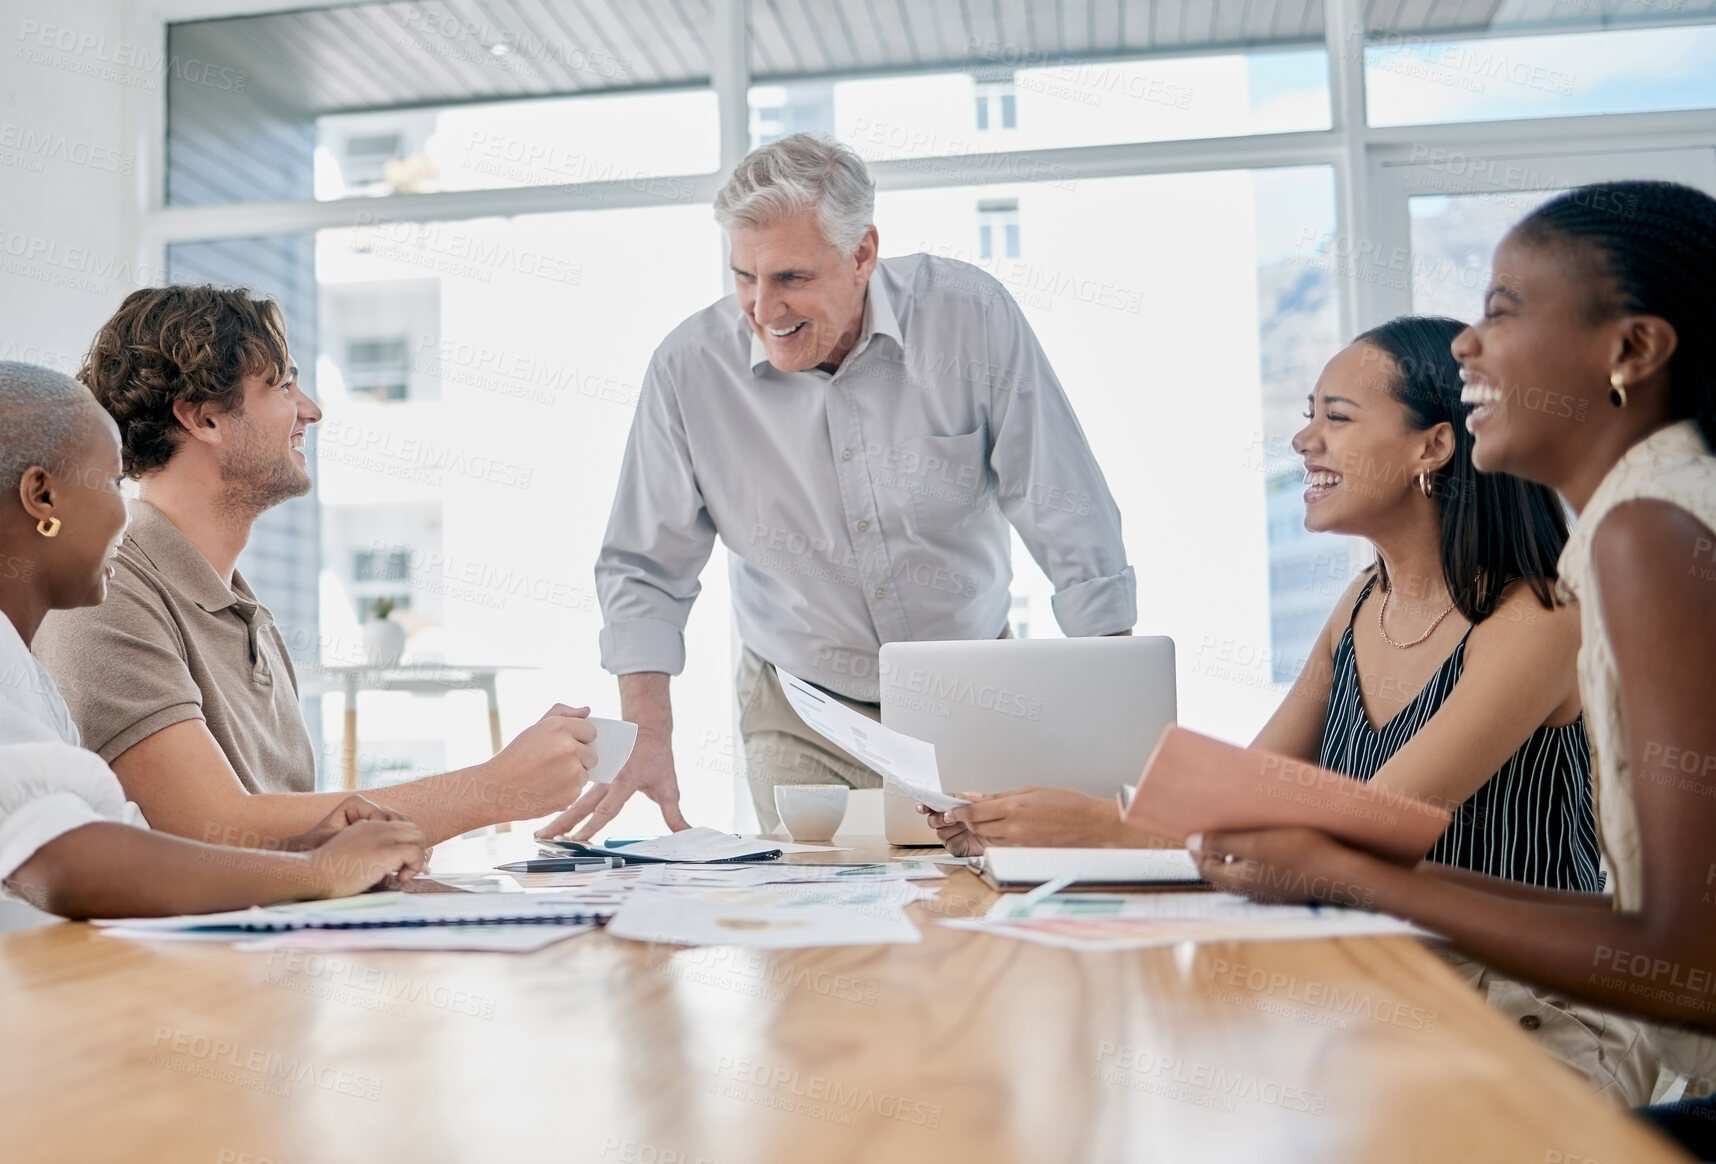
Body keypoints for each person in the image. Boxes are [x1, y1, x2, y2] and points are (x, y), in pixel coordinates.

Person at [1193, 181, 1716, 1151]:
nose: (1468, 344)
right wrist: (1337, 867)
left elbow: (1686, 960)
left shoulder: (1646, 533)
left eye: (1502, 312)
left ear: (1632, 352)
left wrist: (1358, 875)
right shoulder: (1638, 518)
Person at [542, 132, 1137, 841]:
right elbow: (643, 567)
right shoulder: (688, 371)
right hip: (800, 707)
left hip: (971, 693)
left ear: (862, 254)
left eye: (791, 278)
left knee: (975, 920)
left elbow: (1063, 502)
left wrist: (1115, 724)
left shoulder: (969, 317)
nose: (763, 309)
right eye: (744, 277)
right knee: (817, 931)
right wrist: (647, 731)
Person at [928, 317, 1599, 899]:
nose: (1304, 441)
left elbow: (1367, 833)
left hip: (1509, 1005)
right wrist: (1028, 820)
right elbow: (1246, 803)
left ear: (1433, 446)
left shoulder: (1536, 619)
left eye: (1336, 417)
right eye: (1310, 415)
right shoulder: (1364, 604)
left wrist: (1102, 829)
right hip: (1376, 968)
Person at [33, 287, 597, 848]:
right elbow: (211, 827)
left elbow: (292, 840)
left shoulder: (249, 616)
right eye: (282, 385)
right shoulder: (107, 594)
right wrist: (496, 789)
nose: (312, 410)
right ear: (204, 418)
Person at [0, 361, 427, 919]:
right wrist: (315, 872)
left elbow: (123, 845)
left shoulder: (24, 675)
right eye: (111, 483)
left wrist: (306, 848)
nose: (124, 517)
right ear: (43, 497)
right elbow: (64, 863)